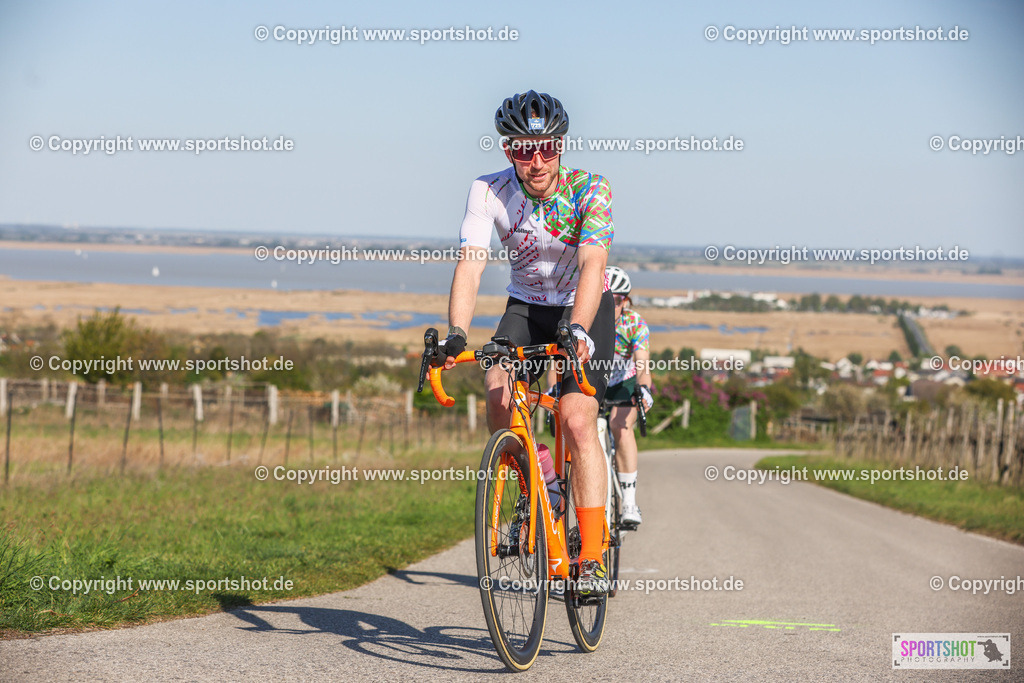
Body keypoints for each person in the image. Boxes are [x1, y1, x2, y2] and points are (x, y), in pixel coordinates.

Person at [438, 90, 615, 595]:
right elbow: (471, 262)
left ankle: (592, 556)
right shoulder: (487, 190)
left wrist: (577, 328)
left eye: (547, 147)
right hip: (525, 306)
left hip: (584, 308)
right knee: (498, 390)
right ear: (507, 150)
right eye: (522, 148)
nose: (536, 161)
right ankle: (539, 480)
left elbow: (592, 264)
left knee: (578, 420)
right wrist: (456, 333)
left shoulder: (590, 188)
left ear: (562, 145)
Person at [603, 266, 653, 528]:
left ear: (626, 300)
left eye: (618, 300)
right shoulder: (586, 318)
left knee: (619, 425)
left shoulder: (634, 323)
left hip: (625, 381)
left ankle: (630, 503)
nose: (612, 305)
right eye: (605, 299)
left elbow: (643, 364)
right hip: (596, 379)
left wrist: (644, 388)